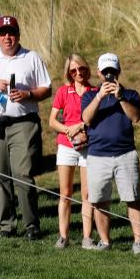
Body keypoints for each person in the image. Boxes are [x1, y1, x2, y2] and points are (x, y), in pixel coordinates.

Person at [0, 16, 51, 240]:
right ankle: (6, 224)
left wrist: (28, 94)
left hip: (23, 124)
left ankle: (31, 224)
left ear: (18, 35)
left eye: (11, 33)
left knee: (23, 174)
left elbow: (47, 88)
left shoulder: (31, 57)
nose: (8, 37)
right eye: (3, 33)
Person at [81, 53, 140, 253]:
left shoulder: (131, 94)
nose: (109, 76)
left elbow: (135, 117)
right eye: (105, 72)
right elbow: (86, 118)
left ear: (118, 72)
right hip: (98, 155)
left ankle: (138, 242)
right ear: (99, 73)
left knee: (132, 198)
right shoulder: (90, 95)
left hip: (125, 153)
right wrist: (100, 96)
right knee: (99, 200)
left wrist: (120, 98)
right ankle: (105, 241)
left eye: (113, 71)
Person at [47, 54, 97, 249]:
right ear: (69, 72)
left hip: (87, 145)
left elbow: (96, 119)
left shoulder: (94, 91)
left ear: (86, 68)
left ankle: (87, 237)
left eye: (81, 69)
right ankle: (63, 236)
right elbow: (52, 121)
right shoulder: (63, 91)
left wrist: (81, 127)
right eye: (74, 70)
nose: (78, 73)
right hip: (66, 145)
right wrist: (69, 130)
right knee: (65, 193)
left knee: (86, 193)